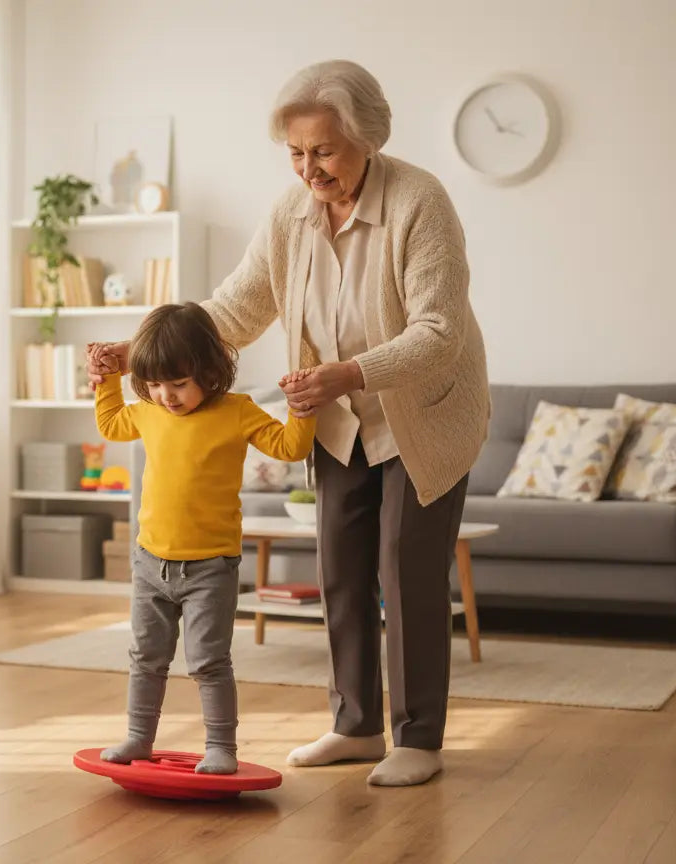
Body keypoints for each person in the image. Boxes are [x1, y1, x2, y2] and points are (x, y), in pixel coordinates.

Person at [89, 59, 491, 787]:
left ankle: (418, 738)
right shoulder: (291, 214)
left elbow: (440, 332)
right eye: (296, 153)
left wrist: (351, 372)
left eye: (324, 151)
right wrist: (144, 344)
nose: (310, 169)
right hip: (334, 417)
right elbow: (235, 309)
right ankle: (356, 725)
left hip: (420, 417)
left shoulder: (419, 202)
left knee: (407, 573)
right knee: (340, 569)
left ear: (368, 138)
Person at [89, 302, 316, 774]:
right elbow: (110, 424)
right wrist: (106, 381)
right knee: (145, 658)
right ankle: (138, 738)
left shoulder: (238, 412)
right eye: (153, 384)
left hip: (210, 567)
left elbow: (290, 446)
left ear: (210, 373)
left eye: (178, 384)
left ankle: (221, 748)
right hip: (150, 562)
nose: (165, 396)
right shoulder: (148, 412)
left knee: (209, 661)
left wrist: (301, 409)